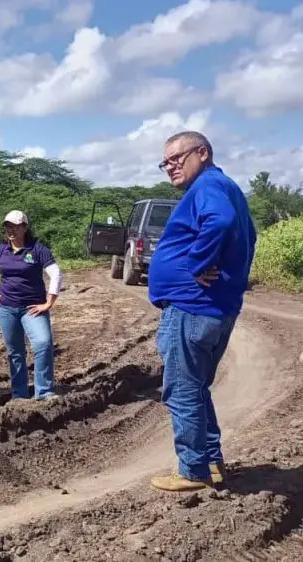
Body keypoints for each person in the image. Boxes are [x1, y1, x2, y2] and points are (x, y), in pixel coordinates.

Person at [148, 131, 256, 492]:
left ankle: (192, 470)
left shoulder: (208, 186)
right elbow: (246, 236)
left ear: (203, 153)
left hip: (193, 309)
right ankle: (210, 461)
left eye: (177, 159)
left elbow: (219, 222)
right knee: (196, 388)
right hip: (213, 308)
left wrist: (197, 262)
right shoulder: (225, 187)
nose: (170, 168)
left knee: (181, 390)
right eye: (166, 163)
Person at [0, 210, 63, 401]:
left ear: (25, 227)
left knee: (43, 344)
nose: (11, 230)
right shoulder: (1, 250)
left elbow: (56, 274)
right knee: (15, 352)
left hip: (32, 308)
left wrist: (49, 302)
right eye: (8, 226)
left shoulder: (38, 249)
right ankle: (19, 394)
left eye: (15, 226)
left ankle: (44, 391)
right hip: (6, 308)